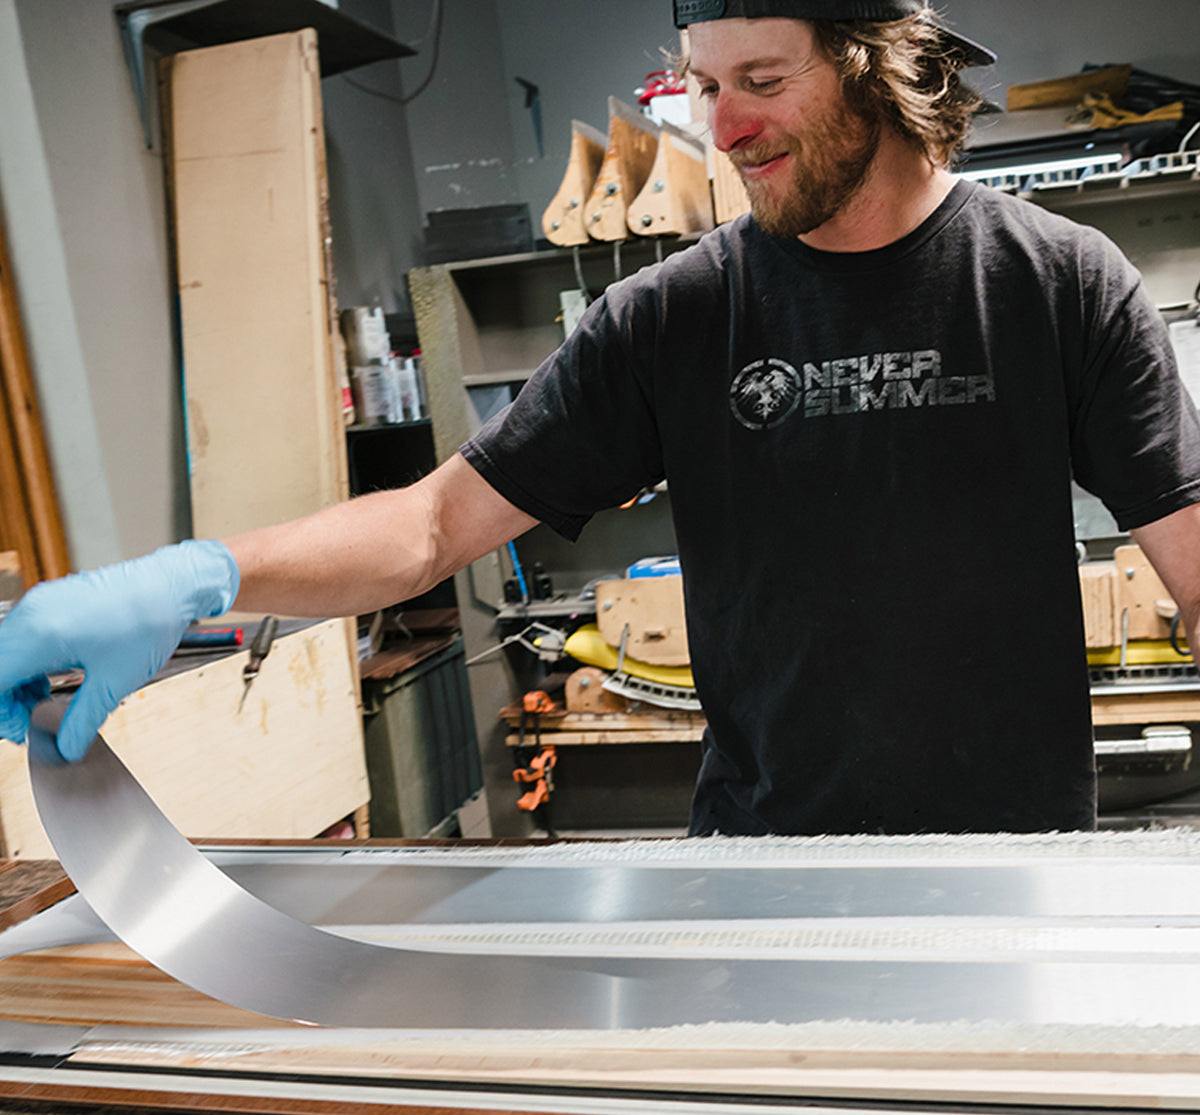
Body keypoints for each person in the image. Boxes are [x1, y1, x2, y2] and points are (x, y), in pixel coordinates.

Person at [3, 0, 1199, 838]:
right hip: (761, 864)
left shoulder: (1058, 281)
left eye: (764, 83)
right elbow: (429, 530)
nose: (722, 130)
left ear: (884, 65)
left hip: (1023, 861)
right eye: (708, 86)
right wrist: (200, 575)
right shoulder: (671, 316)